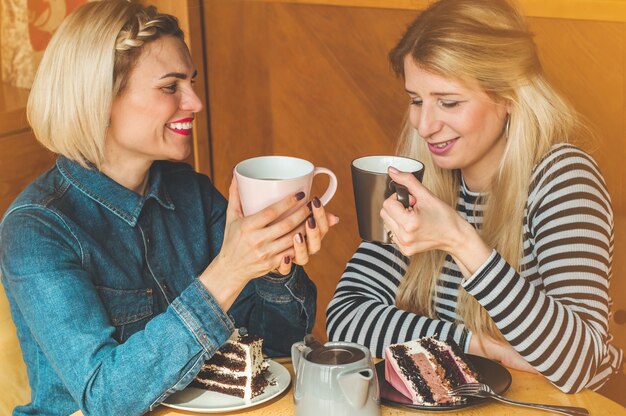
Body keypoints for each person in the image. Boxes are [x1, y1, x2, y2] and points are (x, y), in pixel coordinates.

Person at [0, 1, 338, 415]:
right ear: (100, 97)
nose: (195, 102)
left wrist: (273, 269)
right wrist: (228, 270)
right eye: (170, 86)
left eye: (191, 82)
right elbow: (105, 399)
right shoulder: (37, 229)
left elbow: (278, 349)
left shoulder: (191, 193)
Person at [326, 0, 624, 401]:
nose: (426, 125)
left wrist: (460, 240)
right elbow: (346, 320)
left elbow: (578, 364)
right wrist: (475, 344)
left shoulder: (564, 178)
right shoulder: (416, 180)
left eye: (448, 102)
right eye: (416, 100)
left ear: (508, 97)